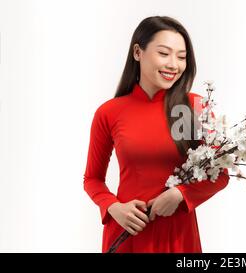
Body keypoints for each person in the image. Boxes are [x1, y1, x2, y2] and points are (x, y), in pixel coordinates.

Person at [83, 16, 229, 253]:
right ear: (138, 52)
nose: (174, 64)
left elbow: (220, 174)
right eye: (164, 53)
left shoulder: (192, 107)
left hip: (178, 235)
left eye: (181, 57)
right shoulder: (109, 112)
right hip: (127, 232)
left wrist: (181, 195)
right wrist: (114, 208)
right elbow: (92, 179)